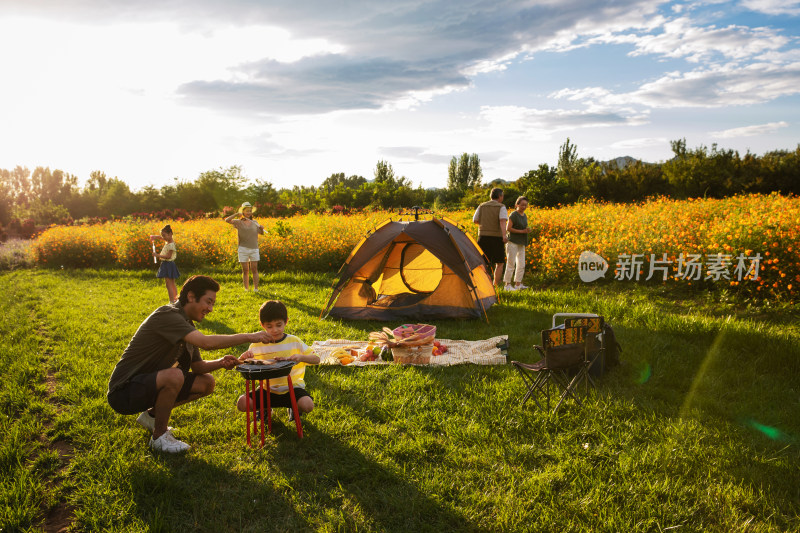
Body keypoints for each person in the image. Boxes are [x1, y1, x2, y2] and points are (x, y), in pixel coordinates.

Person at [106, 275, 273, 453]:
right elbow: (206, 343)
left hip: (146, 385)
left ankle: (151, 416)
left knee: (206, 382)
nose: (210, 309)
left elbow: (198, 366)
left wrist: (221, 362)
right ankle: (159, 437)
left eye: (213, 304)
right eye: (208, 302)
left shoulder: (187, 325)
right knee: (175, 375)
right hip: (123, 392)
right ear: (191, 297)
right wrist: (251, 336)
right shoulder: (167, 315)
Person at [236, 300, 319, 422]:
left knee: (308, 405)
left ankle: (294, 407)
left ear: (286, 322)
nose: (274, 330)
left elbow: (316, 359)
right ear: (262, 325)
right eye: (269, 326)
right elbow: (243, 365)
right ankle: (265, 409)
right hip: (266, 389)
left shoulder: (294, 341)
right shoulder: (257, 344)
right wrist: (243, 358)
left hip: (292, 388)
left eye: (279, 325)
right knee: (242, 403)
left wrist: (301, 357)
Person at [224, 202, 265, 291]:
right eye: (247, 211)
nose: (249, 212)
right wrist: (236, 214)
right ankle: (246, 289)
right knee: (245, 270)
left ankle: (256, 289)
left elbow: (261, 233)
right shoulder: (238, 222)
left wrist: (261, 229)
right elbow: (226, 220)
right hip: (243, 249)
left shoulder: (255, 222)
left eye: (250, 211)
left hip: (254, 248)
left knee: (254, 269)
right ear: (243, 212)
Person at [473, 187, 509, 288]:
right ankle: (495, 285)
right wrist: (504, 235)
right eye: (502, 196)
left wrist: (485, 223)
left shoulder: (482, 206)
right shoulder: (501, 207)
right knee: (500, 263)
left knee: (482, 262)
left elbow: (475, 220)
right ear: (500, 196)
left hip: (483, 237)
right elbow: (502, 221)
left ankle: (483, 284)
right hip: (496, 238)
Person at [503, 196, 532, 291]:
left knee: (521, 264)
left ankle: (518, 284)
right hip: (512, 242)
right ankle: (507, 285)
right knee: (511, 264)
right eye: (522, 205)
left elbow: (523, 228)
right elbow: (508, 228)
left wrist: (527, 230)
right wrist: (522, 231)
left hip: (521, 242)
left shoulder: (524, 215)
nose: (524, 207)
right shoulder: (513, 215)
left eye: (525, 205)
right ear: (517, 205)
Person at [150, 224, 179, 303]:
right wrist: (155, 237)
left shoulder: (171, 245)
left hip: (167, 264)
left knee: (169, 284)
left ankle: (172, 301)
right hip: (169, 264)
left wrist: (157, 255)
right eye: (162, 235)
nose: (163, 238)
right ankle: (176, 299)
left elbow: (168, 256)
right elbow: (162, 238)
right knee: (172, 283)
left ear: (170, 234)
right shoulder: (169, 241)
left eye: (164, 236)